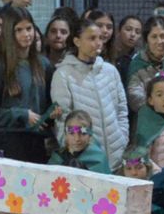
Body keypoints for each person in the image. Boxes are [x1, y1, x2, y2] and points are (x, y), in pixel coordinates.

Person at [50, 17, 129, 172]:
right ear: (77, 41)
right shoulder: (63, 75)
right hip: (85, 161)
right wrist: (72, 153)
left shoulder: (110, 71)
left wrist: (122, 139)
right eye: (92, 38)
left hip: (117, 157)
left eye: (100, 38)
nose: (98, 42)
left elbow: (121, 110)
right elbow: (62, 119)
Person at [0, 6, 55, 164]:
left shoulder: (44, 64)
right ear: (9, 34)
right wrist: (21, 114)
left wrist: (52, 113)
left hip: (37, 143)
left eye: (29, 28)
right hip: (9, 143)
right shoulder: (0, 66)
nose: (26, 34)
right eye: (19, 30)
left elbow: (47, 106)